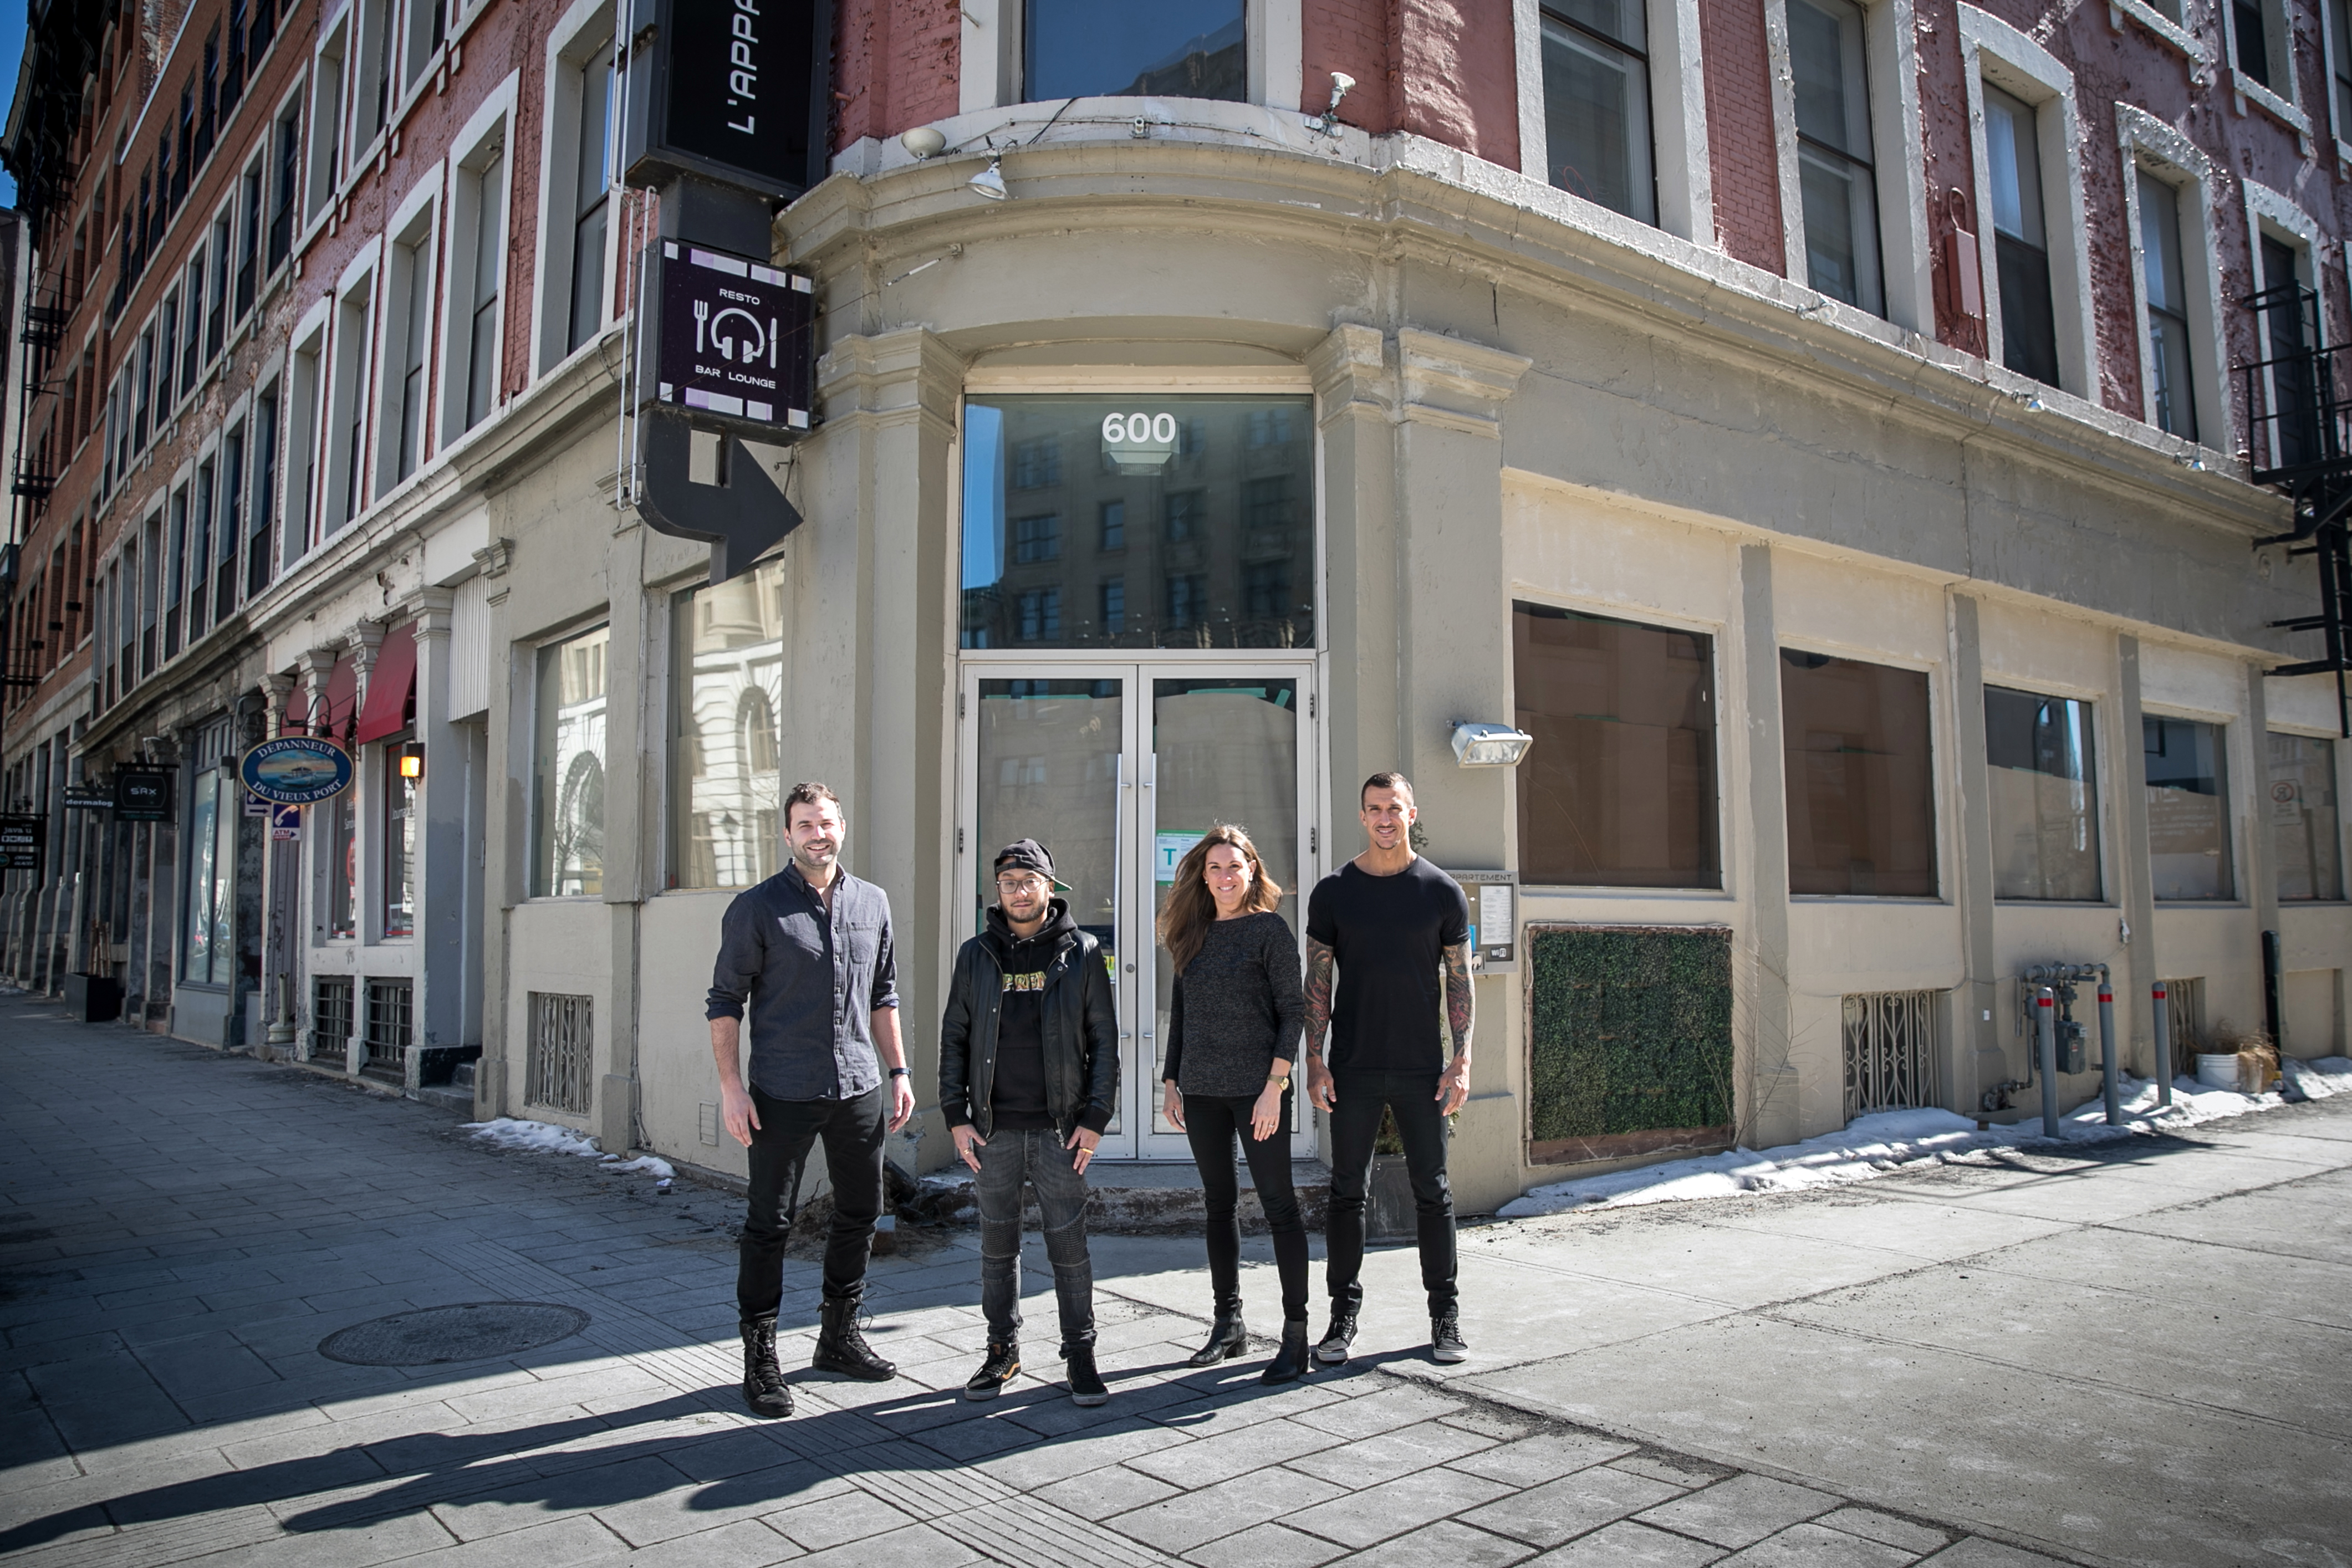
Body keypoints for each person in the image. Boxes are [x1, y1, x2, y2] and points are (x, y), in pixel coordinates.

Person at [708, 782, 916, 1418]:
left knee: (860, 1212)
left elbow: (883, 994)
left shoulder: (872, 902)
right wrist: (731, 1088)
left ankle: (838, 1338)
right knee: (769, 1224)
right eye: (804, 825)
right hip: (781, 1091)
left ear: (842, 827)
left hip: (858, 1086)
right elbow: (724, 1001)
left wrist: (900, 1071)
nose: (816, 834)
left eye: (825, 822)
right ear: (787, 835)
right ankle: (760, 1358)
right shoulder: (756, 909)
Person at [938, 839, 1120, 1406]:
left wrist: (1094, 1118)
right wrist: (955, 1117)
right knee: (997, 1247)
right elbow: (955, 1039)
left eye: (1029, 881)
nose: (1019, 892)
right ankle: (1001, 1351)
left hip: (1059, 1129)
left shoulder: (1083, 952)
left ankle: (1081, 1354)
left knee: (1069, 1246)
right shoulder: (975, 955)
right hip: (992, 1129)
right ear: (998, 892)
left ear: (1050, 887)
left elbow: (1104, 1043)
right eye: (1009, 883)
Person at [1303, 772, 1475, 1366]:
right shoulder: (1333, 892)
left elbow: (1460, 979)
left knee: (1434, 1191)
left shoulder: (1441, 892)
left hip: (1421, 1068)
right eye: (1374, 809)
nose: (1383, 818)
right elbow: (1318, 982)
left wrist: (1461, 1060)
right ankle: (1341, 1318)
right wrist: (1315, 1062)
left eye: (1393, 808)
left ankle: (1444, 1316)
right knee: (1347, 1192)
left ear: (1411, 814)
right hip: (1351, 1067)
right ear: (1362, 815)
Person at [1158, 824, 1313, 1384]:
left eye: (1234, 866)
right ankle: (1229, 1325)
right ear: (1205, 875)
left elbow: (1293, 1012)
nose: (1225, 877)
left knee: (1278, 1207)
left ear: (1252, 869)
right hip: (1201, 1091)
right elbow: (1182, 1013)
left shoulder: (1269, 930)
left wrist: (1276, 1085)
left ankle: (1296, 1337)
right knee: (1217, 1204)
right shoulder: (1192, 932)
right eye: (1215, 868)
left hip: (1257, 1092)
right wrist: (1171, 1080)